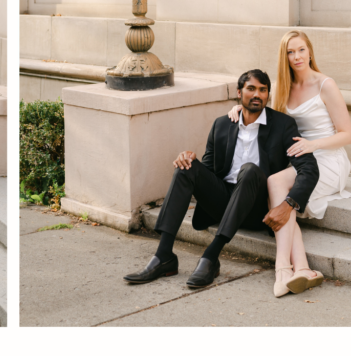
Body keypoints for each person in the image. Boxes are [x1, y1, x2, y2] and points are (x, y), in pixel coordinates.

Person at [123, 70, 319, 289]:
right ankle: (163, 256)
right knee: (185, 168)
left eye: (263, 90)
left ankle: (211, 255)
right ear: (239, 92)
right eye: (251, 88)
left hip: (256, 207)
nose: (257, 94)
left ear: (268, 95)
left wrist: (289, 203)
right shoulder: (222, 125)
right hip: (224, 202)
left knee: (250, 170)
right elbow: (208, 169)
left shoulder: (283, 125)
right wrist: (189, 161)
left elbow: (309, 169)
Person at [226, 29, 351, 295]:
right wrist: (241, 108)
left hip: (328, 159)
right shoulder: (284, 86)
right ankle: (303, 269)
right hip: (301, 161)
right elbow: (266, 116)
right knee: (279, 188)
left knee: (278, 187)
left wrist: (313, 144)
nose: (297, 56)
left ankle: (282, 267)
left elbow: (347, 135)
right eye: (290, 52)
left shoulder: (325, 85)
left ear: (310, 52)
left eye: (301, 50)